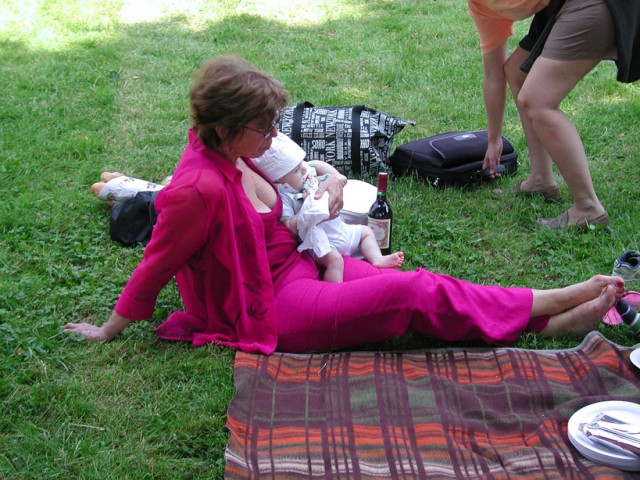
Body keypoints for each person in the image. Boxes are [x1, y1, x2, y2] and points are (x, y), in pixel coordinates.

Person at [64, 55, 626, 355]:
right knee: (407, 293)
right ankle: (549, 305)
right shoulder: (195, 189)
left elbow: (303, 168)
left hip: (303, 268)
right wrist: (109, 329)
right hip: (269, 306)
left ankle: (543, 320)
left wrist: (330, 179)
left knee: (420, 285)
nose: (273, 137)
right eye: (264, 128)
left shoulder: (240, 151)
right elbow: (156, 264)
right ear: (225, 128)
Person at [469, 0, 639, 229]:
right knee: (518, 72)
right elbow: (493, 75)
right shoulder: (481, 7)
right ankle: (541, 180)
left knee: (537, 101)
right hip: (559, 7)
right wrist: (493, 139)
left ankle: (588, 208)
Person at [253, 133, 404, 282]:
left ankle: (377, 259)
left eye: (301, 164)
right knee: (335, 262)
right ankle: (335, 288)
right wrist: (305, 210)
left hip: (342, 229)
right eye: (296, 170)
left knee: (366, 232)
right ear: (279, 181)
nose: (304, 169)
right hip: (320, 242)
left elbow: (316, 165)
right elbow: (288, 226)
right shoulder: (286, 197)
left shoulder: (307, 177)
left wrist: (336, 177)